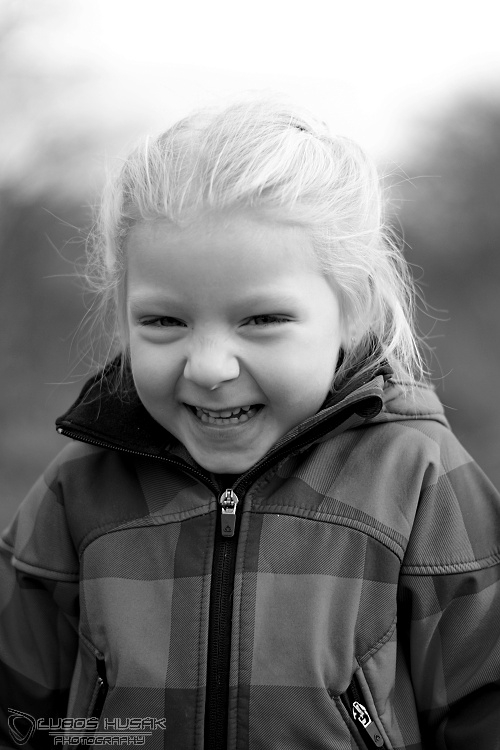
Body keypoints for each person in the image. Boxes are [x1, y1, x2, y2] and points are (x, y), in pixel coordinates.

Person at [1, 95, 499, 750]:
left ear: (353, 310)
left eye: (262, 320)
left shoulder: (418, 476)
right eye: (164, 321)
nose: (209, 367)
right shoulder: (80, 488)